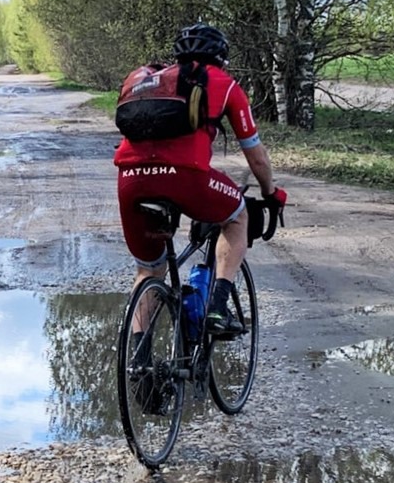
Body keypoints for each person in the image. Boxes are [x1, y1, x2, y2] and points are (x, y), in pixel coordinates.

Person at [115, 23, 285, 342]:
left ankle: (137, 363)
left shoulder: (152, 81)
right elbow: (257, 157)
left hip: (129, 179)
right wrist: (270, 192)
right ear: (221, 58)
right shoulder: (224, 83)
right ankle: (218, 309)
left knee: (149, 270)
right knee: (237, 216)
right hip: (185, 176)